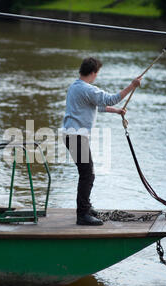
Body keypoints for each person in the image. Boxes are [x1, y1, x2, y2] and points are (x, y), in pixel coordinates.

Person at [62, 57, 142, 226]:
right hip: (77, 136)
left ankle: (86, 207)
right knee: (87, 175)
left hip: (72, 135)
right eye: (97, 74)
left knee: (86, 173)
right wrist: (132, 86)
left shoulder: (75, 86)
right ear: (93, 73)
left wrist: (117, 111)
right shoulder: (88, 89)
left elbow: (98, 106)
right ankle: (82, 214)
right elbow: (111, 99)